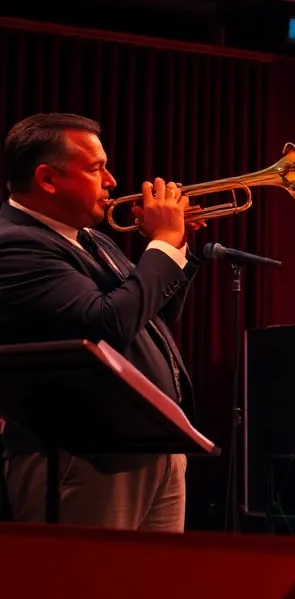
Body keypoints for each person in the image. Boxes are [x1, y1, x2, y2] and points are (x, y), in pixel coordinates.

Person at [0, 113, 203, 531]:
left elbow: (155, 313)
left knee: (153, 595)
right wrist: (162, 246)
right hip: (83, 458)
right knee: (87, 595)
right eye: (96, 168)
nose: (111, 181)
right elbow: (105, 324)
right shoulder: (16, 244)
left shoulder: (93, 239)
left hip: (151, 451)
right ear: (47, 178)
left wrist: (176, 244)